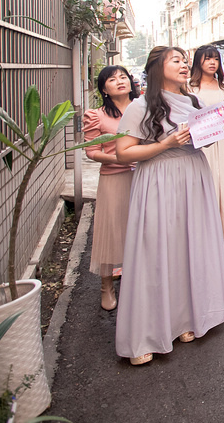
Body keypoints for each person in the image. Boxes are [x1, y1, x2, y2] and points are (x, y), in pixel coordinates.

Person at [115, 46, 224, 366]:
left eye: (184, 61)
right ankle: (147, 333)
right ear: (157, 68)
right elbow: (123, 153)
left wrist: (220, 124)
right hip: (158, 179)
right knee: (155, 251)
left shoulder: (193, 101)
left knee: (186, 248)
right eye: (176, 60)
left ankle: (183, 320)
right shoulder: (140, 107)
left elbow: (201, 139)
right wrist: (164, 144)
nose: (183, 65)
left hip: (194, 176)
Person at [84, 65, 139, 311]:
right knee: (111, 231)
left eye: (123, 77)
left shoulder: (144, 108)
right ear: (103, 88)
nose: (119, 81)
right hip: (114, 179)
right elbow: (92, 151)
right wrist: (121, 158)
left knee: (139, 230)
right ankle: (107, 284)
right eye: (112, 79)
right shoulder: (96, 115)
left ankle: (137, 281)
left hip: (144, 177)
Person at [189, 45, 224, 242]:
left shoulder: (222, 86)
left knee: (221, 185)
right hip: (199, 145)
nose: (212, 63)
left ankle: (219, 232)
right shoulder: (189, 87)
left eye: (216, 59)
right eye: (207, 59)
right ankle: (200, 234)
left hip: (221, 143)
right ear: (198, 62)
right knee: (201, 186)